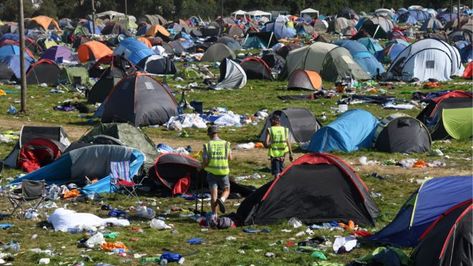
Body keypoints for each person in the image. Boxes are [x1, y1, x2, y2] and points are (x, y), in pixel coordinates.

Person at [202, 125, 232, 217]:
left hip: (211, 172)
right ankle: (222, 200)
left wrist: (201, 167)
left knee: (213, 194)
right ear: (217, 133)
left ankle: (214, 214)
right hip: (223, 172)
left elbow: (205, 161)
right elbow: (230, 158)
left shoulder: (207, 145)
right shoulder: (226, 144)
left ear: (209, 135)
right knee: (226, 190)